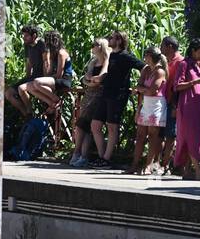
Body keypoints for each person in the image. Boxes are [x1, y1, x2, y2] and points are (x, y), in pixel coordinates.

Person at [88, 31, 144, 167]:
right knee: (95, 125)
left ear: (119, 41)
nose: (109, 40)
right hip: (105, 93)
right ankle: (102, 156)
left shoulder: (125, 56)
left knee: (112, 126)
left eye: (112, 38)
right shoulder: (110, 55)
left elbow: (143, 67)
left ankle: (106, 159)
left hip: (118, 94)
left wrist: (140, 84)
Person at [171, 38, 200, 180]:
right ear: (193, 51)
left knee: (197, 137)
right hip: (187, 105)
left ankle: (187, 171)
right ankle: (198, 172)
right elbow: (177, 86)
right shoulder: (184, 64)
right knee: (191, 136)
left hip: (198, 105)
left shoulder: (199, 65)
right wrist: (194, 82)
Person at [69, 39, 109, 167]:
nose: (91, 47)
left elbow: (101, 77)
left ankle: (82, 155)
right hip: (88, 95)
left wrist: (93, 81)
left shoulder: (106, 60)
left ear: (101, 46)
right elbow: (86, 78)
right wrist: (92, 81)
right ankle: (79, 153)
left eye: (94, 45)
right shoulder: (93, 61)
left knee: (87, 126)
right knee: (82, 125)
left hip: (99, 97)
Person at [129, 46, 168, 175]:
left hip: (156, 104)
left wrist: (142, 89)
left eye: (146, 55)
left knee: (152, 136)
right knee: (140, 135)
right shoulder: (146, 69)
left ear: (151, 56)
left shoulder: (160, 72)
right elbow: (139, 86)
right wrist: (144, 89)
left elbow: (153, 90)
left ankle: (149, 165)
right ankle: (134, 164)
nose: (144, 58)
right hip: (145, 103)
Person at [6, 24, 49, 119]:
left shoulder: (41, 44)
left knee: (22, 88)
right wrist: (27, 77)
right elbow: (28, 63)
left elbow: (46, 62)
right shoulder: (27, 45)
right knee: (9, 93)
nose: (23, 37)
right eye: (23, 35)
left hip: (41, 77)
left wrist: (45, 80)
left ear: (34, 36)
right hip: (32, 77)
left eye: (26, 35)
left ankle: (30, 113)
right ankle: (27, 115)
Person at [27, 30, 73, 115]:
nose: (45, 44)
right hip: (55, 78)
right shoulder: (52, 54)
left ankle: (57, 100)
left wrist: (44, 80)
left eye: (46, 41)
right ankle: (51, 103)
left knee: (37, 82)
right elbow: (49, 72)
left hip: (65, 79)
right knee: (29, 86)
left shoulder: (61, 53)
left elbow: (59, 74)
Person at [158, 36, 183, 172]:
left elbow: (178, 85)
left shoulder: (180, 62)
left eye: (163, 45)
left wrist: (175, 105)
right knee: (159, 134)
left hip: (172, 102)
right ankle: (157, 162)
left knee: (170, 135)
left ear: (170, 47)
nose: (161, 48)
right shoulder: (166, 61)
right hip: (161, 101)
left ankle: (166, 165)